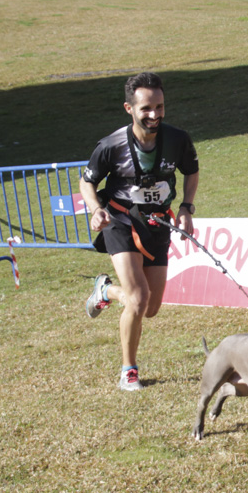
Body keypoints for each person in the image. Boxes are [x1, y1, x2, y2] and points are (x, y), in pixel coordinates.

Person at [80, 72, 199, 392]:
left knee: (151, 307)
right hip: (120, 221)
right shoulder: (111, 145)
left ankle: (105, 291)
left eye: (160, 107)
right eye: (146, 108)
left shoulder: (177, 139)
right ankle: (128, 370)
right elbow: (87, 181)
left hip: (158, 224)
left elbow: (191, 171)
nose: (155, 115)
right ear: (129, 108)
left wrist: (187, 207)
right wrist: (95, 210)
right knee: (138, 297)